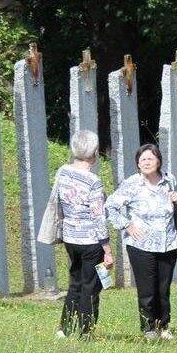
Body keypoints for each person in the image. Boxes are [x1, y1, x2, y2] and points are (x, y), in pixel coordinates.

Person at [106, 144, 177, 340]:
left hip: (168, 243)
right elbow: (110, 206)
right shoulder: (131, 183)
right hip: (141, 245)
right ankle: (148, 327)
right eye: (142, 159)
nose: (146, 162)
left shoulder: (169, 180)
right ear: (137, 163)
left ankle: (164, 326)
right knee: (147, 289)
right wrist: (126, 225)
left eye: (150, 158)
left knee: (163, 289)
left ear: (158, 160)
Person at [55, 130, 113, 338]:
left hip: (70, 237)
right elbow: (99, 217)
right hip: (90, 241)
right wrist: (107, 250)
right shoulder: (93, 181)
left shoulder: (62, 172)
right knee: (91, 285)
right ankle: (86, 331)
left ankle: (64, 328)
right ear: (95, 152)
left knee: (75, 282)